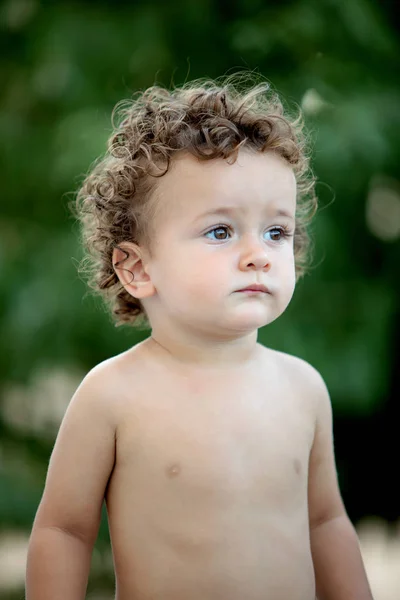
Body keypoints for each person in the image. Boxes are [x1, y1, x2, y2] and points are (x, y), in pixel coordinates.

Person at [25, 75, 373, 600]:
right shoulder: (113, 395)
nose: (258, 252)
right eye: (220, 231)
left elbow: (325, 523)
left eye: (276, 232)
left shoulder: (303, 388)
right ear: (137, 269)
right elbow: (63, 531)